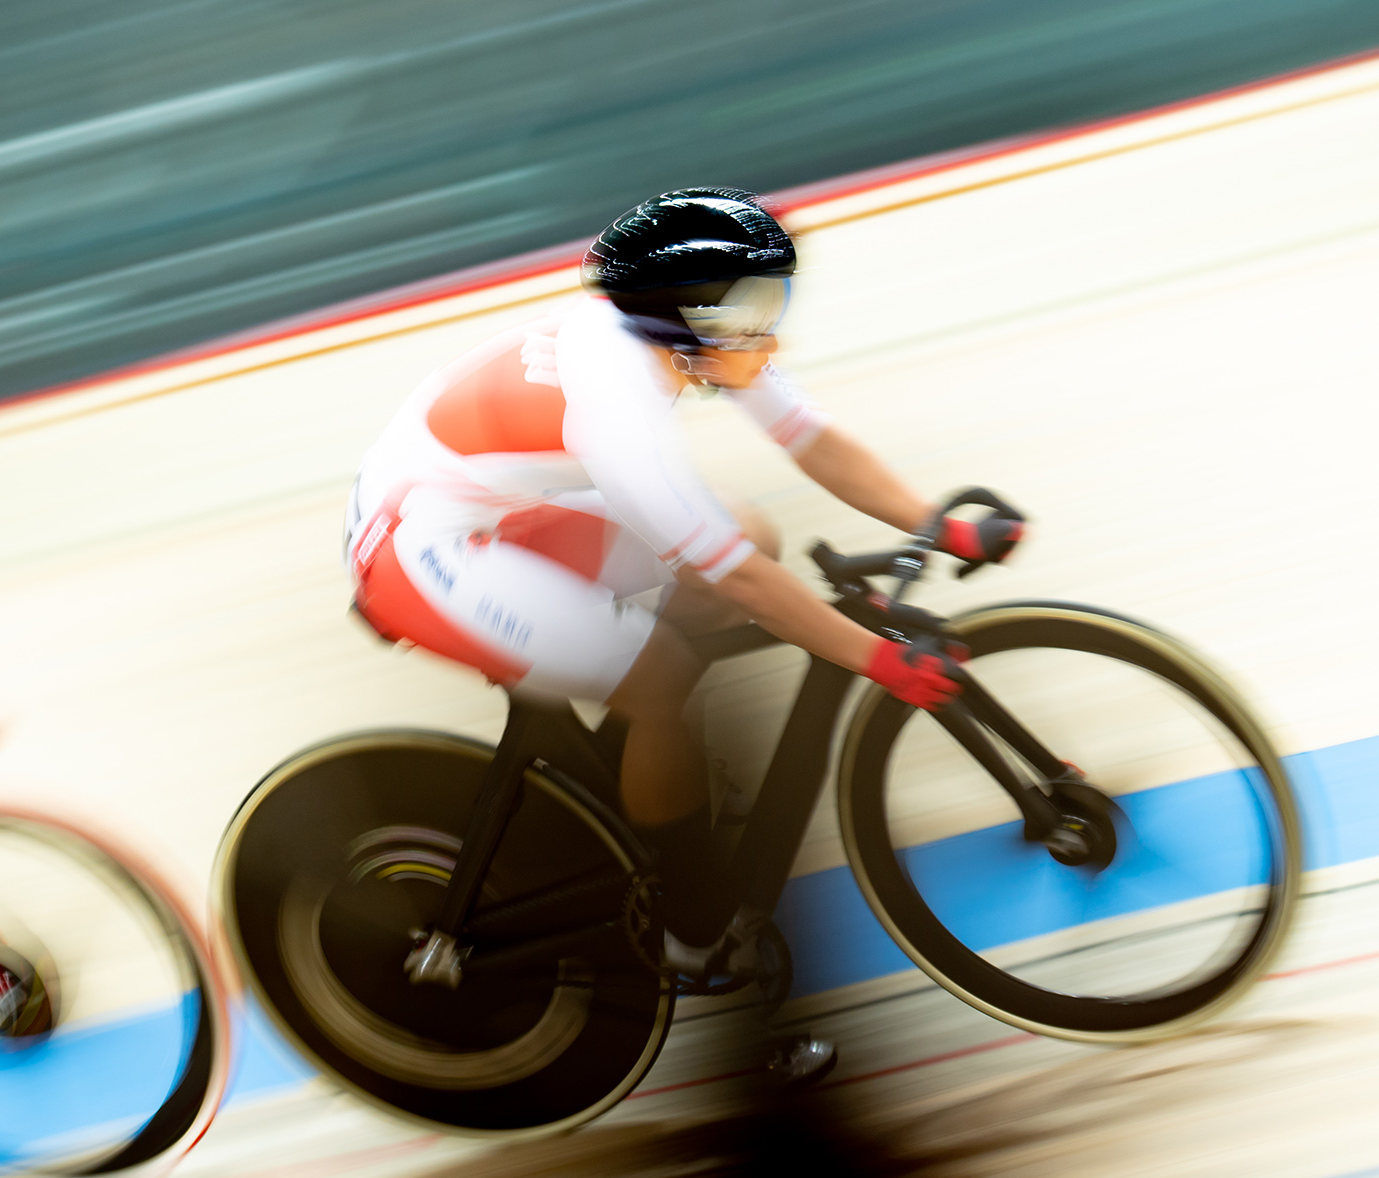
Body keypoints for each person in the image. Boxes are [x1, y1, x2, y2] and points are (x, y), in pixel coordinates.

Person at [345, 188, 1022, 1072]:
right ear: (684, 315)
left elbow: (810, 440)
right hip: (415, 550)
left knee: (754, 532)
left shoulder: (683, 338)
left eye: (771, 301)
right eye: (752, 308)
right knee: (662, 672)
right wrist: (880, 660)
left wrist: (932, 521)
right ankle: (690, 934)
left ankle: (642, 791)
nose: (768, 327)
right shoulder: (617, 403)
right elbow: (734, 576)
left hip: (488, 512)